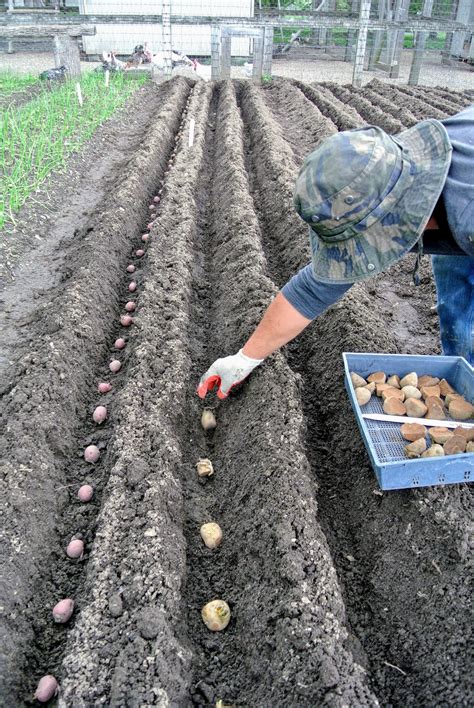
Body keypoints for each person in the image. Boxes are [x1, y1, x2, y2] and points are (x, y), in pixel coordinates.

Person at [198, 104, 474, 400]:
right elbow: (313, 290)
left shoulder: (466, 213)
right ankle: (463, 380)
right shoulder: (386, 173)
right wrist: (245, 358)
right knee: (458, 301)